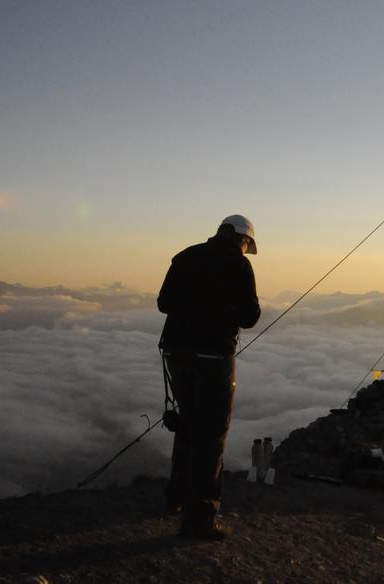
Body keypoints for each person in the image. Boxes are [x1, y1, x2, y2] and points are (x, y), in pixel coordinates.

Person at [158, 215, 261, 540]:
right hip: (213, 357)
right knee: (211, 433)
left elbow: (164, 304)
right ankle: (200, 518)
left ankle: (175, 497)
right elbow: (249, 317)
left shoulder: (185, 255)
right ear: (242, 239)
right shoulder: (238, 264)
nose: (246, 249)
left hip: (176, 353)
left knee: (187, 424)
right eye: (247, 244)